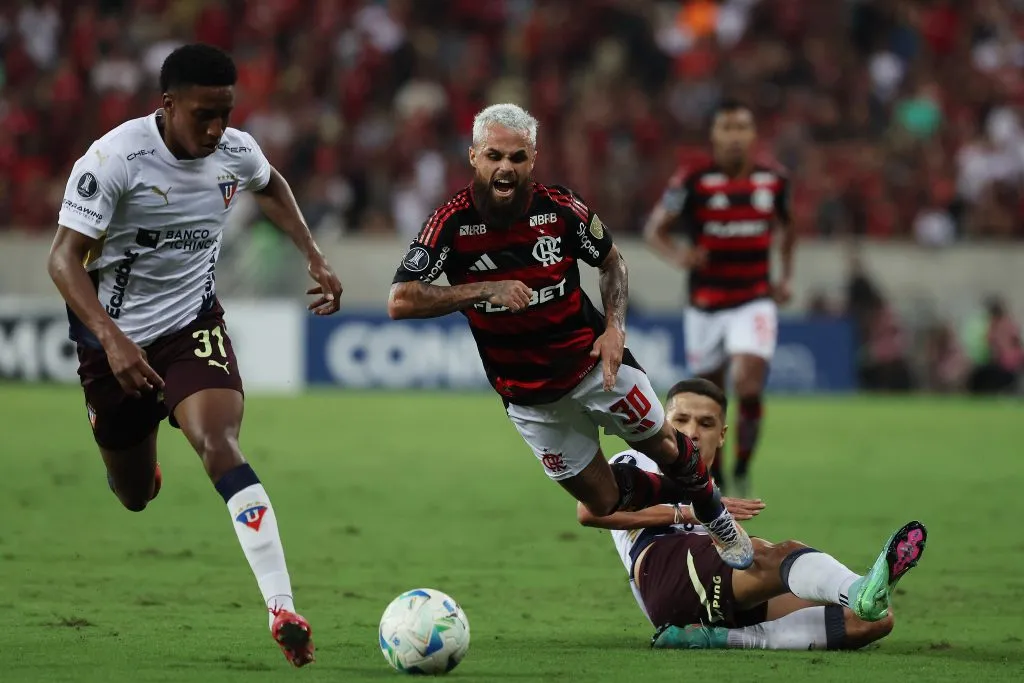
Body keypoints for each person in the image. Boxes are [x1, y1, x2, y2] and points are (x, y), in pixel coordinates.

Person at [47, 44, 343, 668]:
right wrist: (110, 337)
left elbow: (271, 185)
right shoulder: (113, 159)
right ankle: (140, 464)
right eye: (204, 115)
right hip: (113, 343)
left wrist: (312, 252)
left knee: (220, 446)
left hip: (191, 328)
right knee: (132, 494)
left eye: (226, 114)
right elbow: (62, 259)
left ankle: (281, 606)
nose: (217, 129)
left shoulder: (236, 149)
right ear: (168, 104)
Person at [388, 103, 753, 569]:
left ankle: (712, 513)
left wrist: (616, 329)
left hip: (591, 365)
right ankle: (699, 491)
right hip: (528, 397)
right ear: (474, 157)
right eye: (495, 155)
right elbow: (400, 299)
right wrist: (483, 289)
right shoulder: (452, 224)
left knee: (661, 444)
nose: (506, 167)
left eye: (517, 158)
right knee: (604, 501)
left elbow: (612, 261)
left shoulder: (560, 209)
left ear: (533, 160)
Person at [576, 378, 926, 651]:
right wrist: (687, 513)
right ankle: (860, 587)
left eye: (706, 423)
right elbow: (589, 512)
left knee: (872, 621)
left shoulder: (706, 483)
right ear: (663, 422)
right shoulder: (638, 461)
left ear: (722, 434)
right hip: (663, 570)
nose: (692, 431)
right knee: (776, 554)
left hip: (702, 582)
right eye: (681, 419)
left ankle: (717, 638)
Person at [643, 100, 796, 496]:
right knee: (711, 398)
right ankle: (718, 477)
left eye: (741, 127)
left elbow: (789, 229)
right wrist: (680, 256)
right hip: (705, 305)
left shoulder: (773, 181)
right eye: (726, 128)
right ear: (714, 135)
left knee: (748, 384)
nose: (733, 136)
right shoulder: (692, 180)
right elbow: (654, 229)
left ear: (752, 135)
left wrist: (785, 277)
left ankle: (743, 465)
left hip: (754, 298)